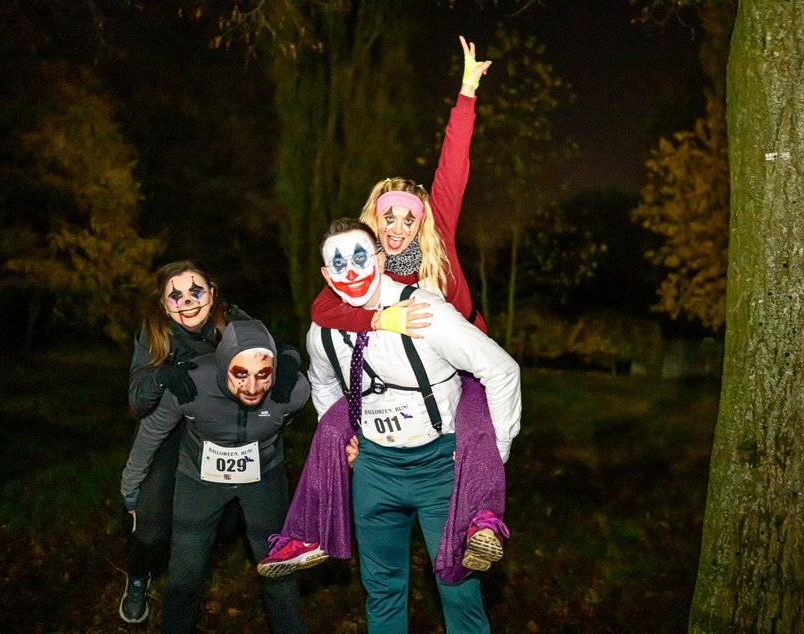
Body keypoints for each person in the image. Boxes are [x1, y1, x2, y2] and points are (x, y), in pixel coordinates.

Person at [259, 35, 510, 582]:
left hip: (460, 366)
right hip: (387, 386)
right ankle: (305, 531)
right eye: (387, 219)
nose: (397, 228)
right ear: (374, 224)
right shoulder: (362, 268)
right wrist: (378, 317)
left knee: (477, 430)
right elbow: (322, 309)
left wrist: (466, 93)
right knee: (328, 426)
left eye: (406, 218)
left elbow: (452, 168)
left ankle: (484, 520)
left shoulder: (435, 235)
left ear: (419, 222)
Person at [298, 219, 521, 632]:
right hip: (375, 470)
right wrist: (347, 435)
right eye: (339, 263)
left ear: (381, 260)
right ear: (326, 276)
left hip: (441, 467)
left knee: (458, 589)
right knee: (381, 589)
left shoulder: (426, 312)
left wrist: (492, 455)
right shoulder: (321, 333)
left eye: (361, 257)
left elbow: (502, 370)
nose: (351, 271)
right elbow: (322, 382)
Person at [118, 261, 298, 624]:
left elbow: (274, 347)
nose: (187, 301)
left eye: (196, 291)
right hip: (170, 426)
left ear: (212, 293)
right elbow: (138, 402)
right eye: (176, 296)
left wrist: (289, 364)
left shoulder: (231, 318)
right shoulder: (154, 333)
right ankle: (139, 576)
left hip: (220, 427)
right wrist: (160, 376)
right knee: (152, 528)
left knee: (230, 518)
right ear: (163, 304)